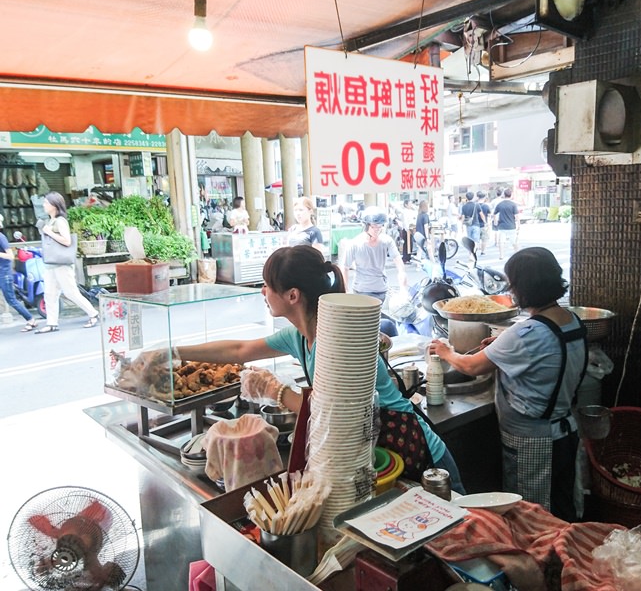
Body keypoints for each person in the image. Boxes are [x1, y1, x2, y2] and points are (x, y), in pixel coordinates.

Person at [177, 245, 465, 491]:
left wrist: (275, 391)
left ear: (292, 295)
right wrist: (176, 352)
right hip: (373, 450)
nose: (262, 291)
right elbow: (239, 350)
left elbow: (335, 412)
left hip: (415, 449)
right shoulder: (298, 337)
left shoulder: (341, 340)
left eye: (267, 284)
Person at [429, 247, 588, 521]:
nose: (511, 290)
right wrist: (502, 345)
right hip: (564, 431)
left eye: (513, 284)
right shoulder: (569, 319)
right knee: (561, 508)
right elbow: (544, 354)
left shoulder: (527, 332)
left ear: (525, 288)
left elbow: (471, 365)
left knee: (534, 517)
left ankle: (544, 561)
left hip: (533, 440)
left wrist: (445, 352)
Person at [36, 192, 100, 334]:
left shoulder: (60, 221)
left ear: (54, 205)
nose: (44, 205)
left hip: (62, 264)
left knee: (71, 292)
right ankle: (52, 323)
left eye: (46, 202)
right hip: (51, 264)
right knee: (49, 294)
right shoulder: (50, 221)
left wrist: (48, 232)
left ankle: (93, 314)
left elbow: (67, 241)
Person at [340, 206, 407, 304]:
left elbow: (398, 262)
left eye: (380, 227)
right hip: (361, 292)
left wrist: (403, 287)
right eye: (374, 227)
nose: (377, 230)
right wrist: (345, 290)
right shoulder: (354, 243)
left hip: (382, 290)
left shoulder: (387, 241)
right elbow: (344, 268)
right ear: (366, 226)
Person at [0, 213, 38, 332]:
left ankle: (30, 319)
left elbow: (10, 256)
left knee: (11, 300)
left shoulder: (1, 237)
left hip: (4, 273)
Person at [493, 188, 521, 260]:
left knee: (501, 242)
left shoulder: (500, 204)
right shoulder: (513, 205)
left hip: (502, 226)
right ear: (511, 195)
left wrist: (495, 221)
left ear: (504, 195)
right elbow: (516, 216)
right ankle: (517, 254)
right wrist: (519, 225)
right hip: (511, 226)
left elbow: (494, 214)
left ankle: (501, 255)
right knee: (514, 241)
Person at [476, 191, 491, 256]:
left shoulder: (474, 205)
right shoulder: (486, 206)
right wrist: (488, 223)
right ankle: (482, 251)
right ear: (484, 197)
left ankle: (475, 250)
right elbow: (489, 215)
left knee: (475, 239)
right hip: (483, 225)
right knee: (484, 239)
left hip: (475, 224)